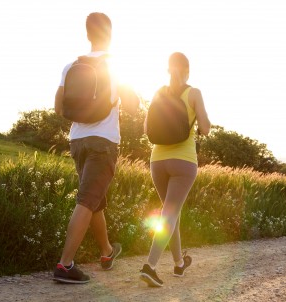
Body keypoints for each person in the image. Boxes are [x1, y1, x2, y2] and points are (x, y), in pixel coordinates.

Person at [53, 12, 139, 284]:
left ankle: (106, 252)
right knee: (88, 200)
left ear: (88, 35)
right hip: (104, 141)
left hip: (77, 139)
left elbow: (59, 107)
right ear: (110, 36)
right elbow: (134, 107)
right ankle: (65, 265)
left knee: (94, 202)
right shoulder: (115, 67)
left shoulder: (71, 66)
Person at [140, 52, 211, 287]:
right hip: (183, 161)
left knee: (171, 214)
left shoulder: (159, 92)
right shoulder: (194, 93)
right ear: (187, 70)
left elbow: (146, 126)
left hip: (157, 160)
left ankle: (179, 263)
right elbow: (206, 128)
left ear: (168, 69)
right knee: (169, 214)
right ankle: (149, 266)